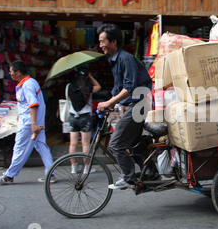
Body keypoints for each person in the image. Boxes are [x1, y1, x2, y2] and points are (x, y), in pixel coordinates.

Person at [96, 23, 157, 190]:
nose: (100, 45)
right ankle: (152, 172)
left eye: (103, 41)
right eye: (100, 42)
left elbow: (129, 88)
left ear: (114, 41)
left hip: (138, 105)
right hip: (133, 105)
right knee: (134, 142)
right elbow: (118, 89)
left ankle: (128, 178)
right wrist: (109, 103)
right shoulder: (115, 60)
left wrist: (110, 102)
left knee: (115, 144)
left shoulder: (125, 58)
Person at [0, 60, 54, 184]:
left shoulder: (27, 85)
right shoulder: (30, 83)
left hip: (29, 123)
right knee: (41, 145)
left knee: (20, 148)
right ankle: (51, 173)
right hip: (34, 121)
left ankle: (9, 176)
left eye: (11, 72)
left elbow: (33, 104)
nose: (10, 74)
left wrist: (33, 124)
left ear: (18, 72)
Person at [67, 65, 101, 173]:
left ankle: (74, 167)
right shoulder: (88, 87)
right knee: (85, 144)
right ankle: (86, 168)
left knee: (73, 143)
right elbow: (98, 86)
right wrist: (90, 77)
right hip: (85, 117)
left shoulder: (69, 86)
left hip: (73, 116)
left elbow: (67, 98)